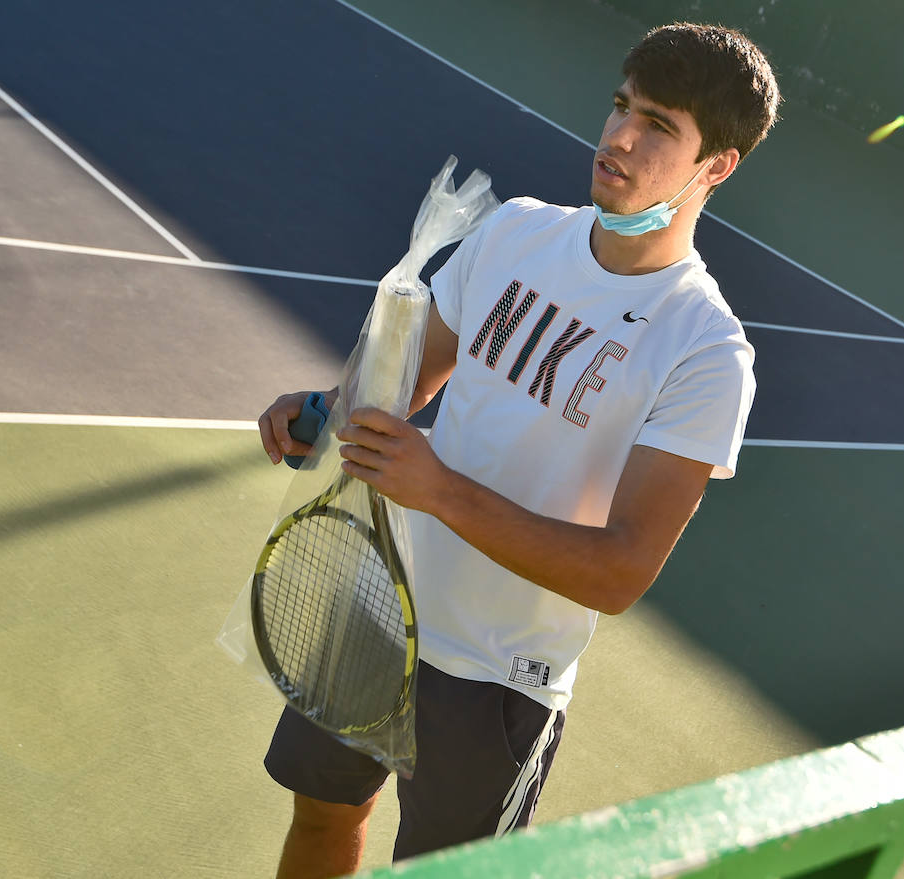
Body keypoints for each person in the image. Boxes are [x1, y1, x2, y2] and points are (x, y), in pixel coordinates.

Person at [255, 21, 780, 878]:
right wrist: (323, 405)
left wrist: (441, 490)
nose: (618, 136)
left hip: (499, 674)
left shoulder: (705, 351)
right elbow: (411, 380)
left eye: (659, 127)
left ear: (716, 164)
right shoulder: (517, 234)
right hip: (379, 600)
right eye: (622, 106)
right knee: (320, 822)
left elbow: (618, 572)